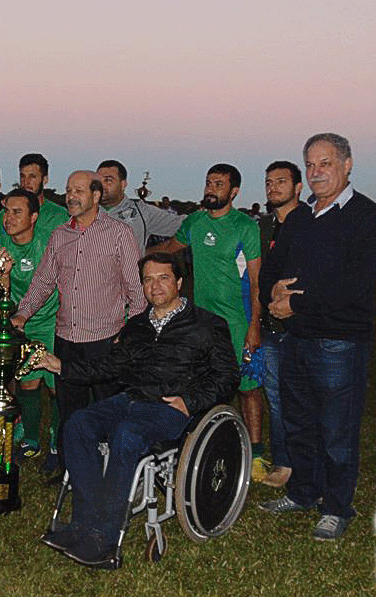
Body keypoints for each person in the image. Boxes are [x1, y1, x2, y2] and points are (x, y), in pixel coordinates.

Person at [37, 253, 238, 569]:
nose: (154, 286)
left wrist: (192, 400)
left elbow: (227, 376)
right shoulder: (137, 326)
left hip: (169, 406)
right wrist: (61, 365)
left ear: (180, 283)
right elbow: (109, 365)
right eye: (148, 279)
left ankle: (104, 539)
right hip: (129, 399)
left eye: (163, 278)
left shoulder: (207, 325)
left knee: (127, 434)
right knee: (77, 424)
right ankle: (83, 524)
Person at [259, 133, 376, 540]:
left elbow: (354, 283)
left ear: (347, 165)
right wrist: (272, 295)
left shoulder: (367, 218)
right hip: (293, 339)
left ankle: (336, 506)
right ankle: (302, 491)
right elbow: (271, 267)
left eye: (326, 163)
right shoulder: (299, 217)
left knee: (336, 430)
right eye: (310, 164)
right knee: (298, 423)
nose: (316, 172)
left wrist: (296, 305)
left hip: (340, 342)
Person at [14, 170, 146, 477]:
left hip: (106, 340)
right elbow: (43, 281)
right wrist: (22, 314)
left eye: (79, 190)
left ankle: (114, 471)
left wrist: (131, 333)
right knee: (69, 411)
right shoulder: (60, 235)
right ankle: (70, 470)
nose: (71, 196)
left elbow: (135, 291)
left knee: (110, 410)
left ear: (96, 195)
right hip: (67, 338)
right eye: (68, 190)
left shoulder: (118, 234)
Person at [156, 164, 268, 481]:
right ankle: (206, 447)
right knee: (202, 386)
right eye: (208, 182)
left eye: (219, 184)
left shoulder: (245, 226)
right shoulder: (194, 221)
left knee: (247, 389)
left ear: (233, 192)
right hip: (202, 325)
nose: (211, 188)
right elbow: (168, 250)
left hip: (238, 322)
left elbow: (258, 282)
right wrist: (134, 252)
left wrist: (254, 326)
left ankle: (256, 456)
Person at [0, 189, 60, 463]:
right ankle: (32, 439)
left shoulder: (48, 244)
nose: (8, 218)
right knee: (27, 384)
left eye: (16, 212)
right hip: (20, 324)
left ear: (33, 217)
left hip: (54, 321)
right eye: (6, 211)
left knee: (56, 386)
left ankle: (57, 442)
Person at [257, 161, 308, 487]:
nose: (273, 187)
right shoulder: (262, 226)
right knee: (276, 397)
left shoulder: (313, 223)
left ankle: (311, 465)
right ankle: (285, 463)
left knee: (310, 398)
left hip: (307, 329)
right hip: (271, 329)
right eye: (268, 182)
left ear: (298, 187)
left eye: (281, 181)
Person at [96, 160, 184, 250]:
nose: (102, 185)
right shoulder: (84, 211)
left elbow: (187, 225)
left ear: (123, 185)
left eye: (108, 180)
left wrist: (154, 254)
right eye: (98, 181)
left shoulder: (142, 212)